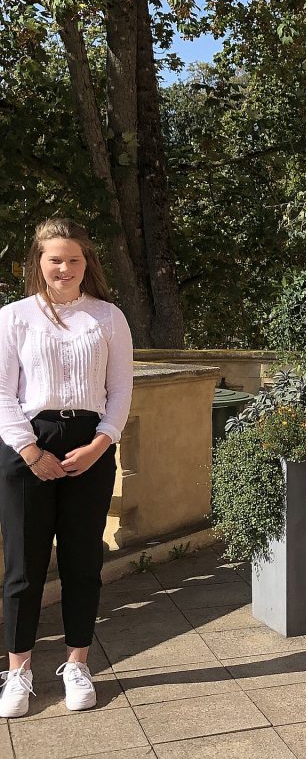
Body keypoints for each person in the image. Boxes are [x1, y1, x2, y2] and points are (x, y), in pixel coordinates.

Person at [0, 219, 133, 718]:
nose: (64, 268)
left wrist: (102, 444)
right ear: (38, 263)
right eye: (55, 259)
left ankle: (77, 662)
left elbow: (120, 390)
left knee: (83, 562)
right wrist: (31, 452)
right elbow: (1, 392)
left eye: (74, 259)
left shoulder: (107, 317)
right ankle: (18, 671)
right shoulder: (12, 318)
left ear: (86, 264)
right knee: (23, 567)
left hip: (90, 448)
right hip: (25, 447)